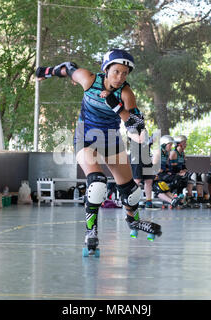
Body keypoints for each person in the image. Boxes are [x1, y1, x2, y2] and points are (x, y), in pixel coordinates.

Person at [36, 49, 161, 255]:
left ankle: (132, 219)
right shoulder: (89, 79)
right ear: (106, 69)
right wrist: (46, 71)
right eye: (116, 72)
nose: (120, 77)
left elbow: (138, 128)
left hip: (110, 139)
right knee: (97, 184)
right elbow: (68, 68)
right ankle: (91, 232)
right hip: (85, 137)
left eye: (125, 73)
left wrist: (119, 109)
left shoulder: (126, 94)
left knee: (131, 192)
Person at [169, 135, 204, 208]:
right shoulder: (174, 153)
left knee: (201, 175)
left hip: (180, 172)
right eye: (184, 142)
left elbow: (183, 167)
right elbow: (173, 168)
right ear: (178, 144)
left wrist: (184, 171)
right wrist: (182, 172)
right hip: (173, 174)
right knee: (192, 175)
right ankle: (189, 197)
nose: (185, 144)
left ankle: (200, 197)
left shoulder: (182, 153)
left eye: (185, 142)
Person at [152, 135, 182, 208]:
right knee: (160, 186)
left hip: (161, 173)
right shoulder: (158, 152)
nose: (171, 147)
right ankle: (172, 200)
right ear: (164, 144)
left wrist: (167, 170)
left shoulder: (166, 153)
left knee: (177, 178)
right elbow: (153, 167)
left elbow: (165, 166)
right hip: (155, 175)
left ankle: (174, 198)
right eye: (170, 145)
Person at [128, 130, 154, 209]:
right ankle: (133, 201)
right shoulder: (131, 129)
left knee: (149, 180)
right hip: (136, 157)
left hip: (146, 157)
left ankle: (148, 201)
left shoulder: (144, 130)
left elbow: (146, 142)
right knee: (137, 180)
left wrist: (151, 140)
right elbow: (139, 140)